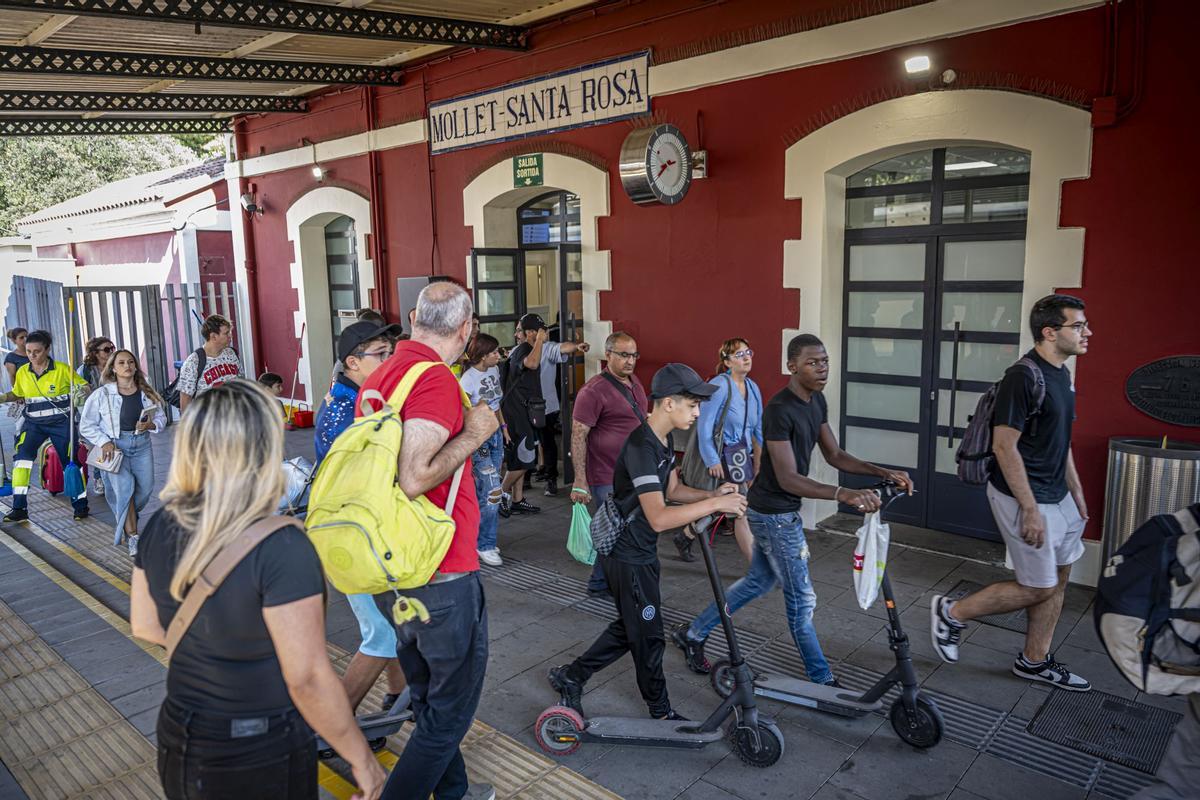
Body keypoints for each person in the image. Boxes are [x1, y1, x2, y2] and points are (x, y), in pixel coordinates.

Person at [129, 380, 384, 800]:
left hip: (181, 733)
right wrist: (362, 760)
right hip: (260, 747)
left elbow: (146, 626)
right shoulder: (282, 545)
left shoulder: (161, 523)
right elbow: (307, 678)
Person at [672, 334, 912, 687]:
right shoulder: (780, 410)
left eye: (825, 361)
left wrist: (883, 472)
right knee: (802, 600)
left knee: (758, 581)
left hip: (781, 512)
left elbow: (835, 455)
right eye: (813, 362)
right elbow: (787, 478)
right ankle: (821, 677)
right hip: (773, 515)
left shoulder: (815, 402)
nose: (822, 368)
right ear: (792, 366)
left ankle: (693, 633)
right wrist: (843, 493)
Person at [357, 281, 497, 800]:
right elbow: (416, 475)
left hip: (394, 571)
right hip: (440, 573)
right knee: (449, 715)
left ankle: (454, 792)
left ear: (414, 317)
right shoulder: (434, 380)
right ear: (466, 330)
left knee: (428, 696)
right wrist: (476, 431)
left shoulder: (384, 375)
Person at [548, 364, 747, 720]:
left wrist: (711, 493)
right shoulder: (641, 446)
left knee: (631, 627)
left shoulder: (663, 439)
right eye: (692, 405)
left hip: (639, 551)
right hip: (627, 555)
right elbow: (658, 516)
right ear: (669, 403)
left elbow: (671, 490)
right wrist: (715, 504)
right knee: (649, 635)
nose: (698, 412)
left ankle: (571, 676)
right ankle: (661, 711)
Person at [931, 294, 1093, 690]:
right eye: (1078, 325)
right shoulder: (1023, 376)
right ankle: (952, 612)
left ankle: (1034, 661)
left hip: (1059, 495)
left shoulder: (1062, 374)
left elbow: (1060, 439)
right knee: (1038, 585)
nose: (1088, 332)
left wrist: (1076, 488)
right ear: (1050, 332)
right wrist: (1030, 509)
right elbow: (1005, 446)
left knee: (1060, 573)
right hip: (1025, 497)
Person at [312, 319, 409, 715]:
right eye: (381, 354)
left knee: (395, 625)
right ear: (353, 362)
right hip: (354, 537)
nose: (389, 359)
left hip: (366, 533)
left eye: (391, 352)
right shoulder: (347, 410)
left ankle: (397, 699)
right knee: (382, 634)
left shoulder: (359, 398)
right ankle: (334, 723)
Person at [569, 331, 648, 597]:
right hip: (605, 474)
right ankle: (605, 583)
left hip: (632, 471)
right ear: (608, 355)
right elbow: (578, 434)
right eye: (624, 355)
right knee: (615, 531)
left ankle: (602, 582)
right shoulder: (593, 391)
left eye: (634, 355)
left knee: (620, 530)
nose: (630, 361)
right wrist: (580, 480)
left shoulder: (634, 383)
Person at [675, 338, 763, 564]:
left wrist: (758, 461)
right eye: (739, 354)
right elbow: (704, 425)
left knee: (730, 505)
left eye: (748, 352)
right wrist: (712, 460)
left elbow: (758, 429)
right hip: (718, 455)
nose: (746, 358)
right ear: (727, 362)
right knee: (736, 507)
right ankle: (757, 568)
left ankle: (685, 535)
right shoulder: (720, 386)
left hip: (738, 457)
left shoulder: (753, 389)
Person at [79, 349, 166, 556]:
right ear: (113, 369)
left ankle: (127, 516)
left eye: (130, 362)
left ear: (135, 366)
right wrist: (105, 442)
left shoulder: (146, 392)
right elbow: (86, 425)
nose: (127, 366)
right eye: (121, 363)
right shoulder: (102, 394)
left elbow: (161, 418)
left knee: (145, 490)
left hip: (142, 445)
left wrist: (151, 425)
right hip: (116, 448)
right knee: (125, 491)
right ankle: (133, 537)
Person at [0, 330, 91, 523]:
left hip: (61, 424)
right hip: (33, 424)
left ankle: (80, 505)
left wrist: (80, 391)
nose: (32, 355)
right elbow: (18, 393)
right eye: (29, 351)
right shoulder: (23, 371)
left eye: (37, 351)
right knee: (21, 461)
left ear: (47, 349)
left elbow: (85, 387)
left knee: (71, 463)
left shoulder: (62, 370)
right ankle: (19, 507)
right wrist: (3, 397)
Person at [459, 333, 508, 567]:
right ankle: (485, 544)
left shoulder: (494, 371)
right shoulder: (467, 380)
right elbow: (462, 413)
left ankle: (480, 538)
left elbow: (497, 404)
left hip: (496, 434)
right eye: (494, 352)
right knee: (492, 492)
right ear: (483, 355)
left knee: (488, 491)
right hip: (480, 440)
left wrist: (504, 427)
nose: (498, 355)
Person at [529, 313, 589, 497]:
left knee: (547, 443)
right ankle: (523, 480)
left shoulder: (548, 349)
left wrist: (577, 346)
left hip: (547, 405)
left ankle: (550, 478)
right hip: (525, 406)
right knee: (527, 441)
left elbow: (564, 347)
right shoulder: (521, 351)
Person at [177, 314, 240, 411]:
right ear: (213, 336)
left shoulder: (231, 353)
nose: (230, 336)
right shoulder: (193, 361)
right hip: (208, 422)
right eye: (226, 333)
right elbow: (185, 399)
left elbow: (241, 382)